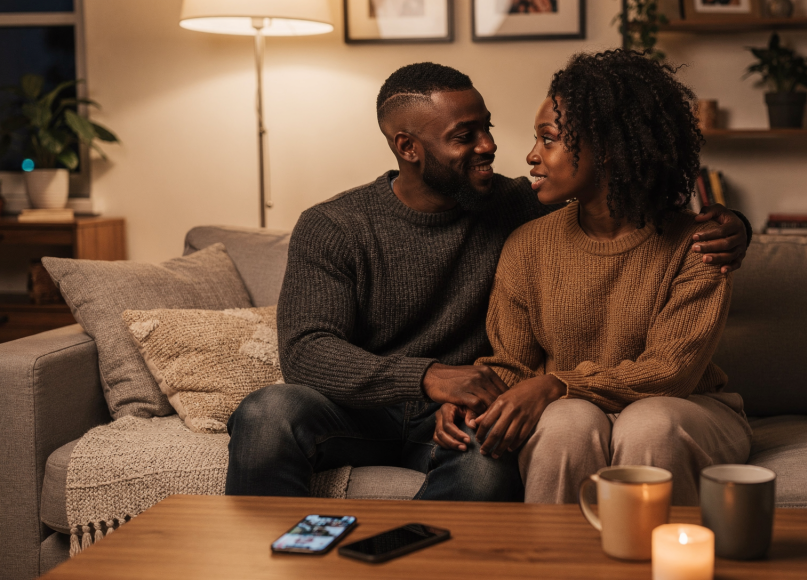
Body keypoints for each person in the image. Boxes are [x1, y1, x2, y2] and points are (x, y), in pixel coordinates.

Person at [225, 61, 751, 501]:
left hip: (471, 405)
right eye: (465, 136)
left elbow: (623, 187)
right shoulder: (335, 226)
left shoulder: (518, 205)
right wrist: (429, 377)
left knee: (489, 458)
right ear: (408, 147)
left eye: (488, 127)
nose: (492, 146)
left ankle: (421, 559)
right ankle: (265, 564)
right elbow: (306, 351)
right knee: (268, 411)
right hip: (361, 409)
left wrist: (735, 226)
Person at [433, 50, 752, 505]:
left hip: (687, 410)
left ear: (606, 150)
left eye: (549, 139)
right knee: (565, 423)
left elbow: (671, 373)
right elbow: (513, 362)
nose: (531, 155)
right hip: (576, 409)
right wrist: (473, 398)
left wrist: (559, 383)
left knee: (648, 424)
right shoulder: (528, 243)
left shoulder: (700, 243)